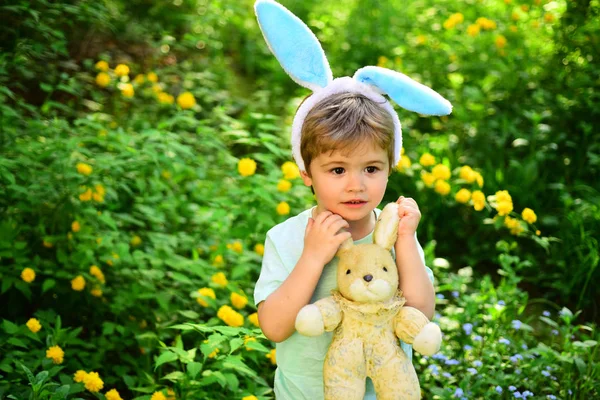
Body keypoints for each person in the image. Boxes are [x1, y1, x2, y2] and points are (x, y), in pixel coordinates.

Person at [252, 1, 451, 398]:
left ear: (390, 167)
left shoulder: (395, 232)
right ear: (307, 173)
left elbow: (421, 315)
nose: (356, 185)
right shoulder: (288, 237)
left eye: (372, 169)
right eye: (338, 170)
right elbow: (273, 327)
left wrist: (407, 242)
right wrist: (313, 255)